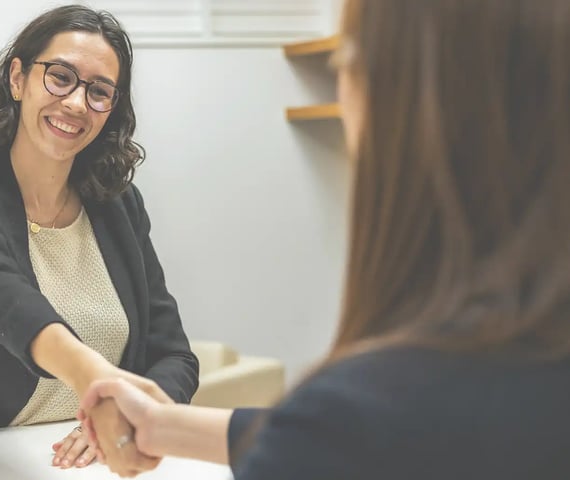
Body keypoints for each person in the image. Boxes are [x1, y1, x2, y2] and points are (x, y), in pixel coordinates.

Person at [78, 0, 570, 478]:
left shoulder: (363, 410)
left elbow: (350, 435)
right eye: (59, 77)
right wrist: (166, 426)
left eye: (347, 63)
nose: (76, 103)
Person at [0, 5, 199, 471]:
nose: (76, 103)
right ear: (18, 79)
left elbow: (174, 355)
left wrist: (129, 418)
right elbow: (2, 300)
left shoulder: (119, 205)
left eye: (98, 92)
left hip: (87, 460)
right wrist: (96, 380)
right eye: (60, 77)